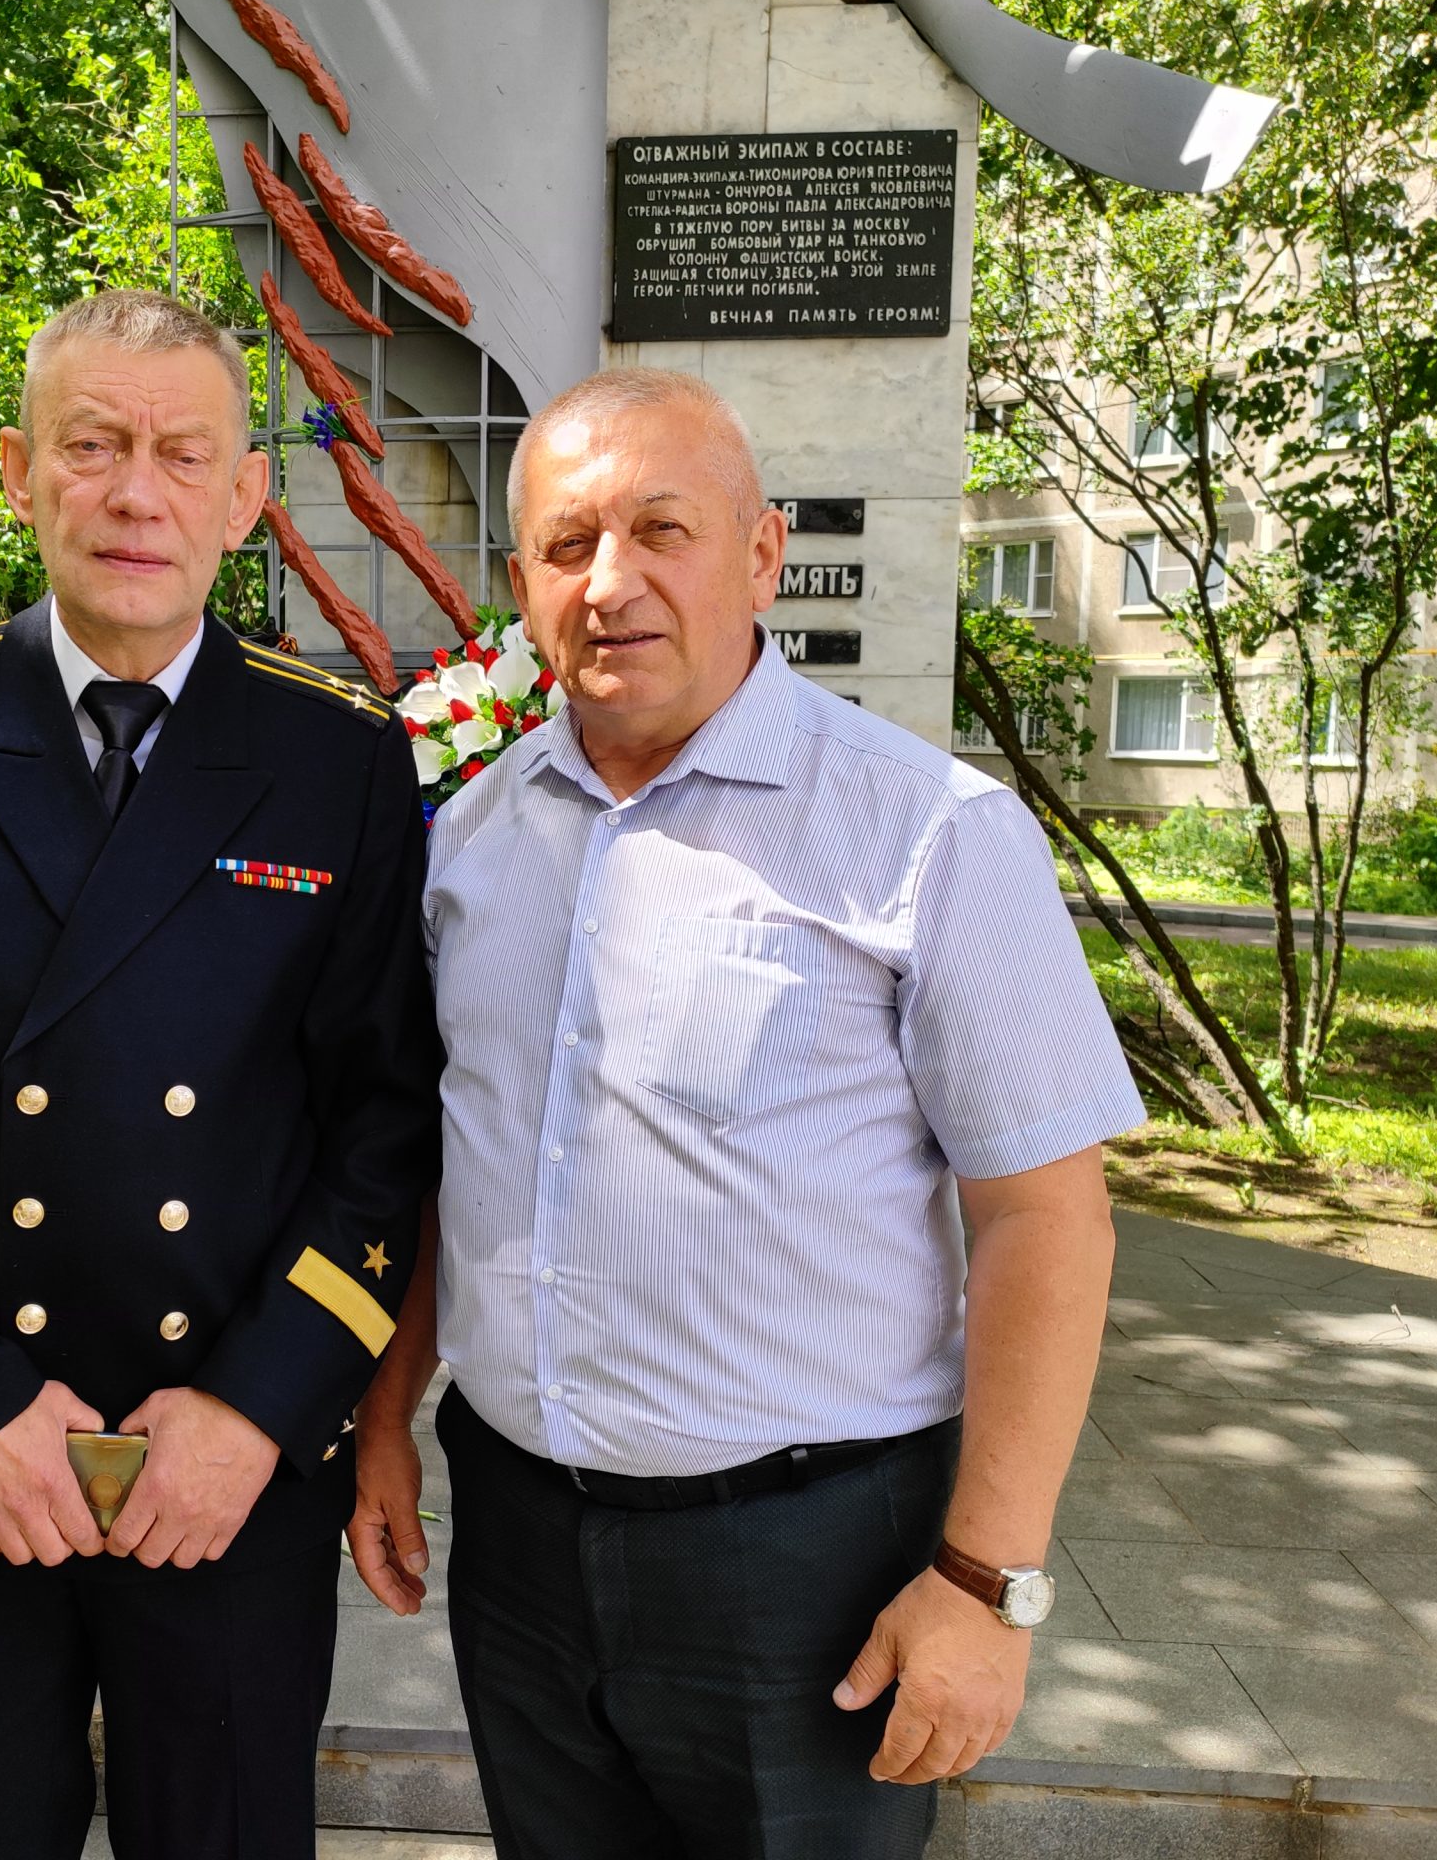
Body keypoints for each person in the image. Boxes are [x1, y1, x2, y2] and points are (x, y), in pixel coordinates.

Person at [347, 367, 1143, 1858]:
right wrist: (388, 1409)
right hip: (518, 1542)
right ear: (521, 588)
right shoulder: (470, 838)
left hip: (808, 1568)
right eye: (568, 545)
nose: (613, 582)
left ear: (762, 552)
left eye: (664, 529)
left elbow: (1046, 1218)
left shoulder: (928, 833)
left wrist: (987, 1585)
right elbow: (458, 1162)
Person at [0, 288, 443, 1860]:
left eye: (184, 453)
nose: (138, 493)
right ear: (19, 471)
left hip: (226, 1484)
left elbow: (385, 1116)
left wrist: (263, 1413)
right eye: (94, 446)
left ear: (245, 496)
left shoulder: (338, 760)